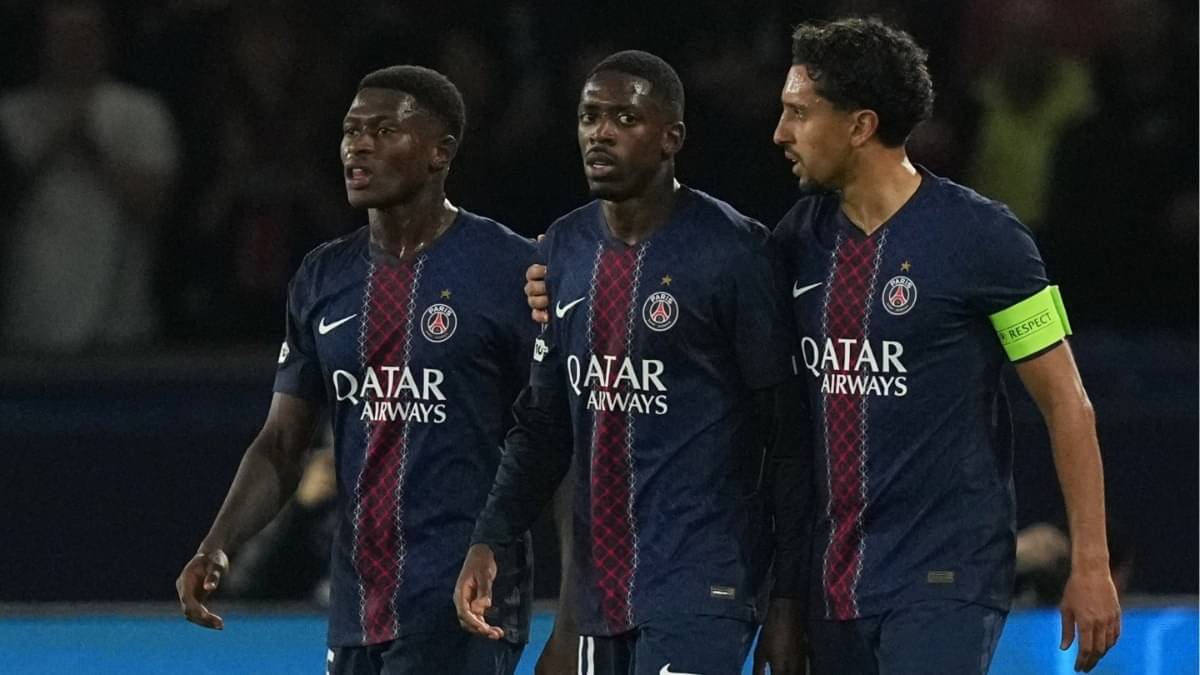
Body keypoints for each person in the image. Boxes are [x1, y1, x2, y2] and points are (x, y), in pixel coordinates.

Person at [770, 17, 1120, 674]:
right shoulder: (797, 240)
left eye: (798, 113)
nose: (780, 133)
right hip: (833, 580)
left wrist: (1091, 565)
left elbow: (1068, 402)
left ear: (860, 125)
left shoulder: (987, 240)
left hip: (945, 575)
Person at [176, 65, 536, 675]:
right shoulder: (323, 278)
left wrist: (578, 607)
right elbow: (283, 443)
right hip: (356, 608)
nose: (358, 145)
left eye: (383, 130)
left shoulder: (511, 270)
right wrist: (218, 543)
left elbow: (556, 439)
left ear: (440, 152)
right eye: (350, 130)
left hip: (465, 602)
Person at [454, 51, 804, 675]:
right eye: (590, 116)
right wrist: (491, 536)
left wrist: (788, 597)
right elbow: (542, 424)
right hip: (601, 592)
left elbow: (786, 435)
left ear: (672, 138)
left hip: (705, 584)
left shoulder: (735, 253)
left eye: (625, 117)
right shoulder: (562, 247)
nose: (601, 131)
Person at [0, 0, 179, 353]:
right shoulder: (11, 114)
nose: (74, 47)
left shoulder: (141, 112)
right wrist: (50, 147)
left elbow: (156, 205)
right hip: (32, 320)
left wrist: (94, 154)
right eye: (62, 36)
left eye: (85, 35)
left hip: (119, 321)